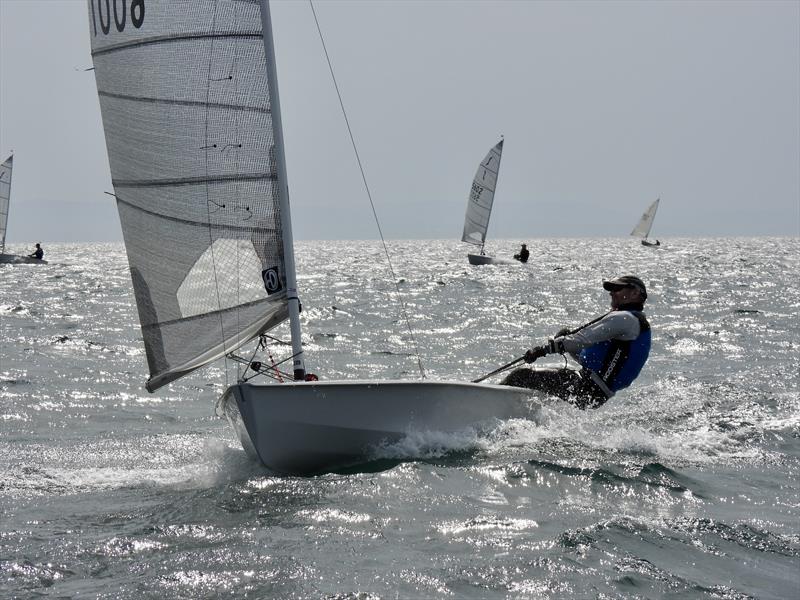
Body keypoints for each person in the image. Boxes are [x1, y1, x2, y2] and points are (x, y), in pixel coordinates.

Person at [502, 275, 651, 409]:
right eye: (611, 289)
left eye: (617, 288)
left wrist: (543, 349)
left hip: (586, 388)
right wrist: (567, 346)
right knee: (535, 381)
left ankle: (485, 400)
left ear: (635, 293)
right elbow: (591, 359)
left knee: (521, 375)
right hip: (593, 393)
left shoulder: (626, 319)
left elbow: (582, 340)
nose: (611, 293)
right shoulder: (634, 321)